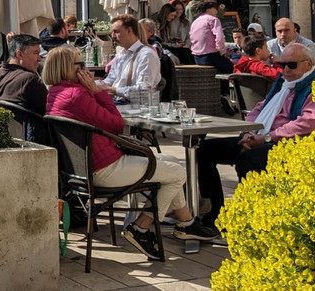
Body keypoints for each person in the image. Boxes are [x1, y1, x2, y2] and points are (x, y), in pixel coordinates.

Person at [43, 46, 219, 258]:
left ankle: (187, 223)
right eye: (80, 66)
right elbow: (116, 123)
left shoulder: (55, 92)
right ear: (66, 69)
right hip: (105, 168)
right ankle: (141, 228)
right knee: (177, 173)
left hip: (82, 169)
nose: (86, 70)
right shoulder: (76, 95)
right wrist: (99, 92)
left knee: (170, 161)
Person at [197, 42, 315, 228]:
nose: (286, 70)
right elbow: (259, 108)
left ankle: (252, 217)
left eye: (292, 65)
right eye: (282, 65)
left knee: (248, 160)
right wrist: (248, 132)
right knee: (204, 149)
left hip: (292, 144)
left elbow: (306, 123)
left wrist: (266, 138)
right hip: (260, 135)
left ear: (308, 63)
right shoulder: (283, 83)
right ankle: (214, 213)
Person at [98, 14, 162, 99]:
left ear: (129, 30)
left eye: (116, 32)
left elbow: (143, 90)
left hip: (136, 108)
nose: (112, 36)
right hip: (119, 103)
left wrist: (113, 89)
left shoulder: (146, 55)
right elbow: (110, 80)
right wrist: (91, 84)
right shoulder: (121, 54)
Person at [0, 34, 49, 118]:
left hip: (13, 128)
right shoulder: (29, 79)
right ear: (19, 54)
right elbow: (50, 109)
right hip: (35, 128)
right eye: (36, 53)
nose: (39, 59)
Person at [189, 0, 232, 74]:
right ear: (209, 8)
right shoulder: (213, 20)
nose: (217, 11)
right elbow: (220, 38)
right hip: (210, 56)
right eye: (216, 9)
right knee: (231, 68)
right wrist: (222, 51)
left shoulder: (195, 21)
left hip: (196, 57)